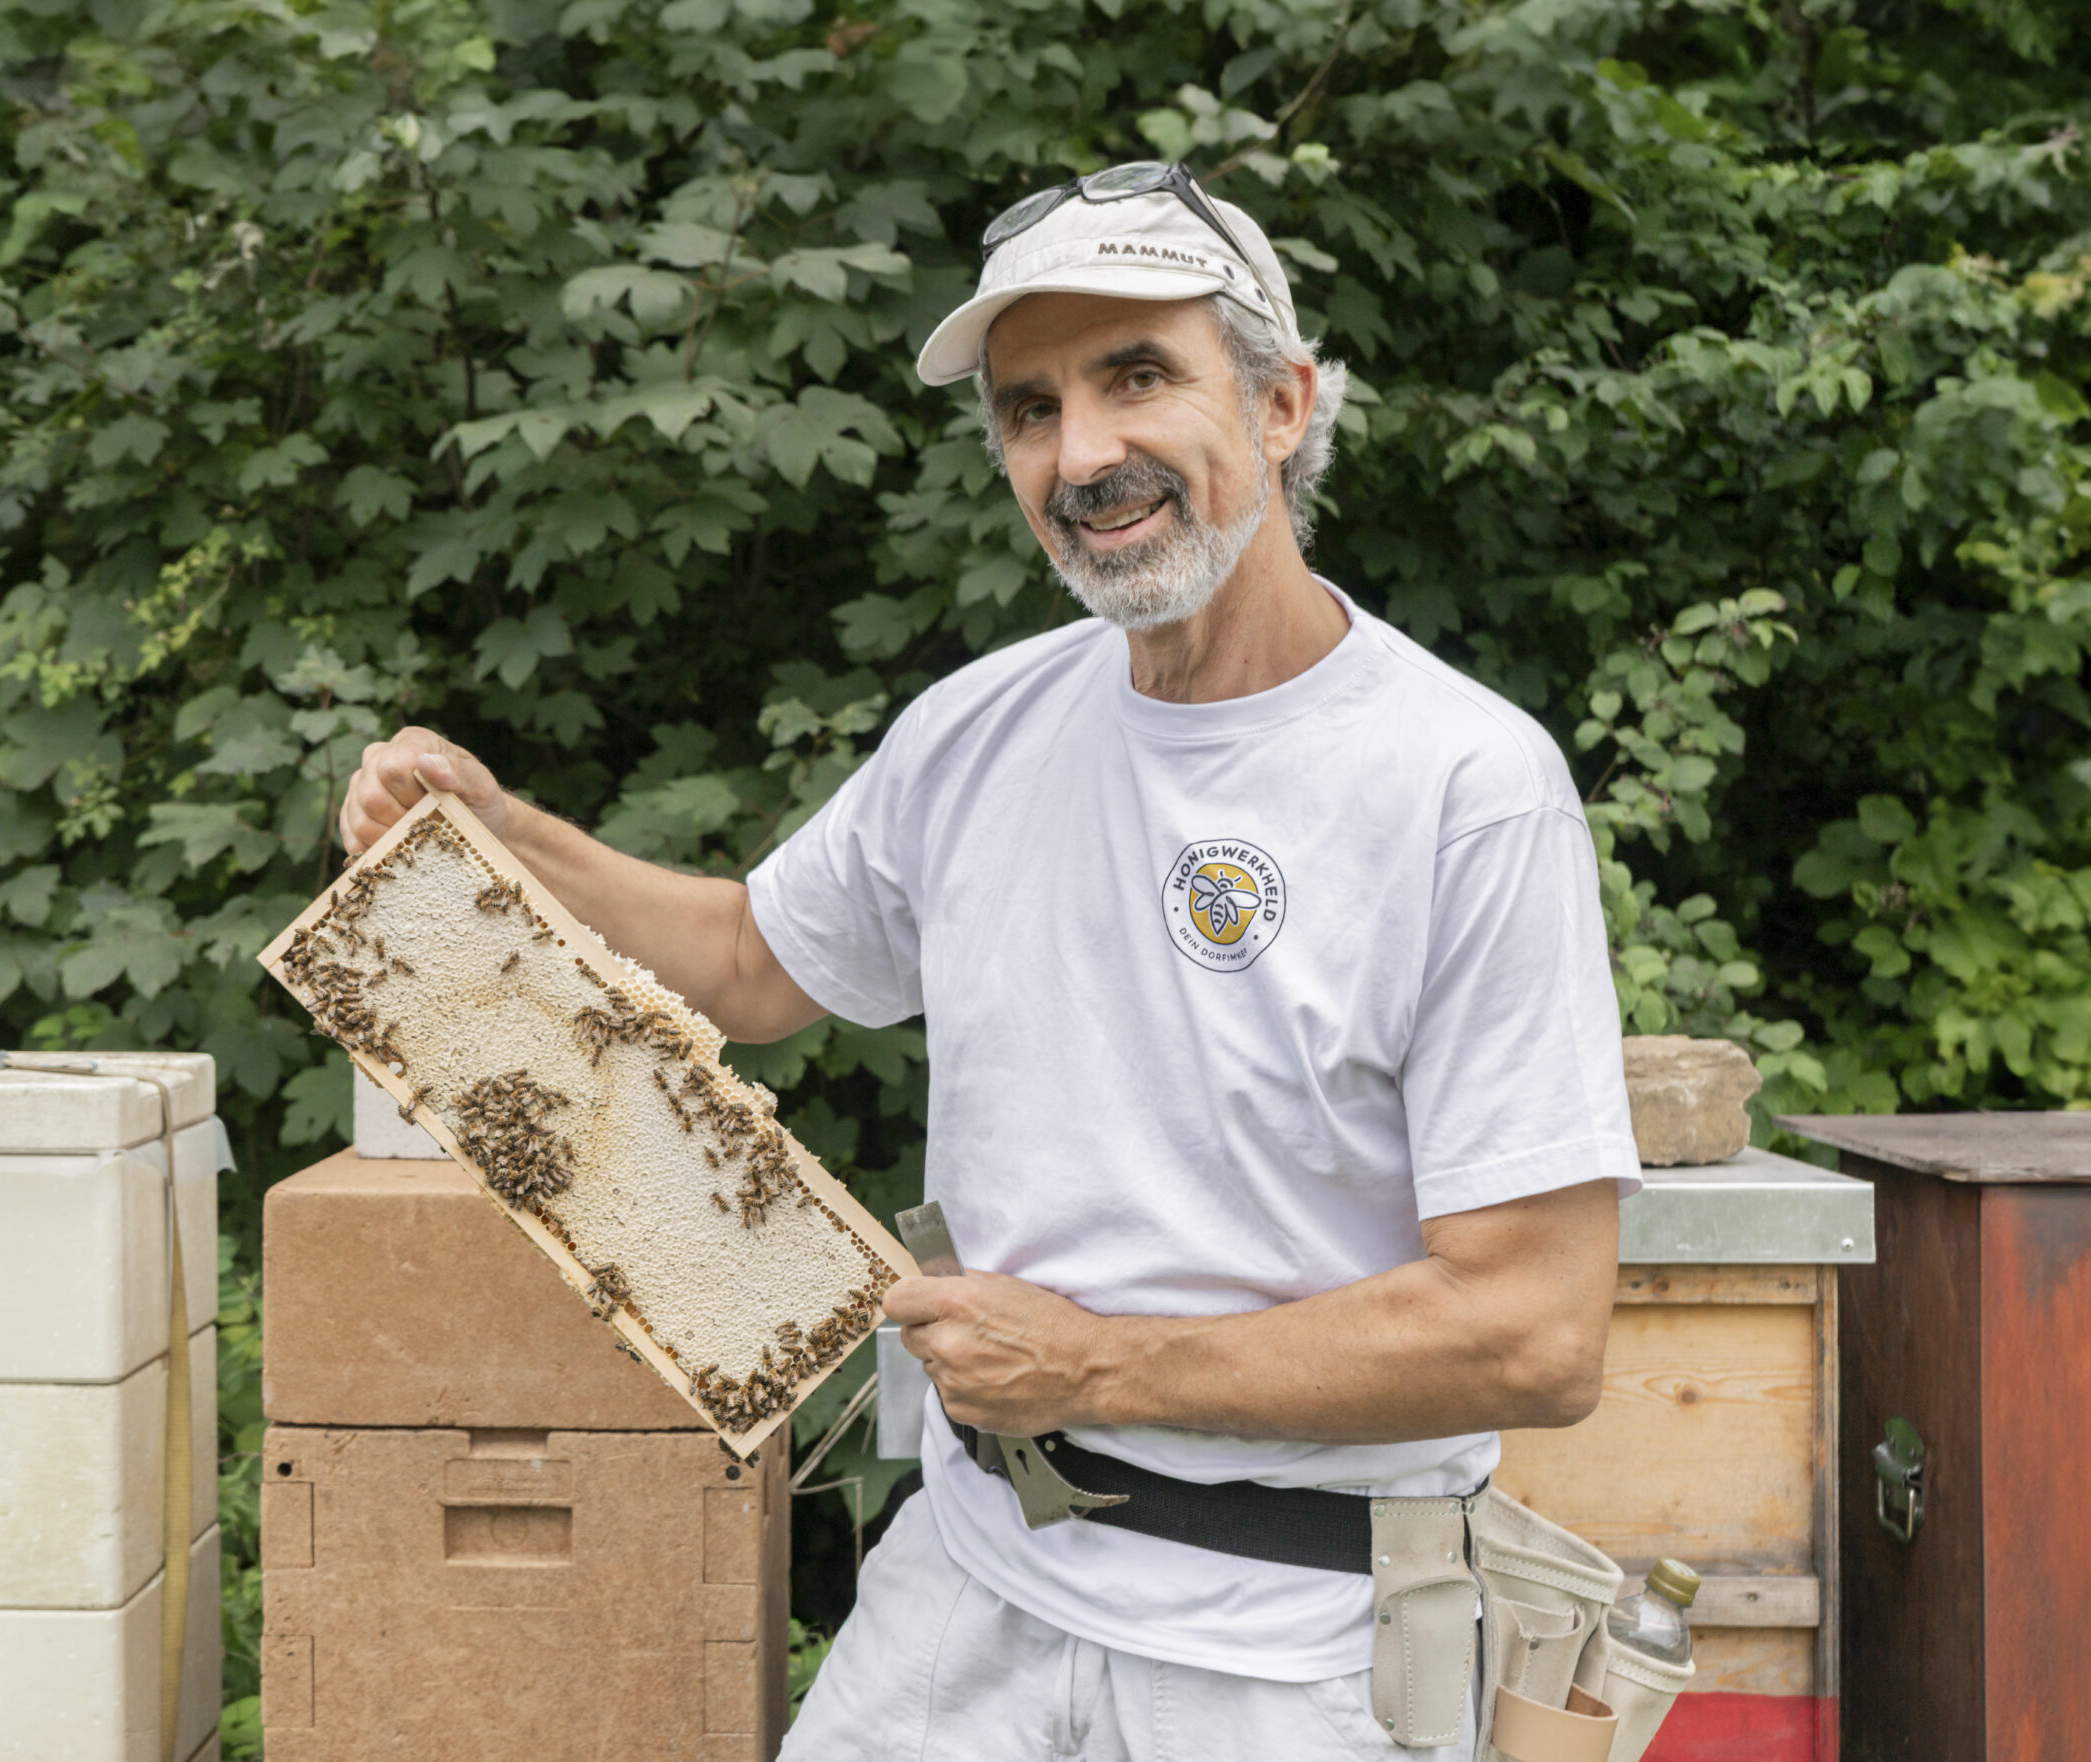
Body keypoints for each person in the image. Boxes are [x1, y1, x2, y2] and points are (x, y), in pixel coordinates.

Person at [336, 162, 1638, 1760]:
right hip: (966, 1592)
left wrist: (1099, 1365)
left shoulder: (1462, 786)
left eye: (1137, 377)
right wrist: (502, 833)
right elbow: (750, 959)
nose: (1081, 454)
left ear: (1285, 403)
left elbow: (1538, 1332)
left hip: (1291, 1653)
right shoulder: (981, 728)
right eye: (1031, 409)